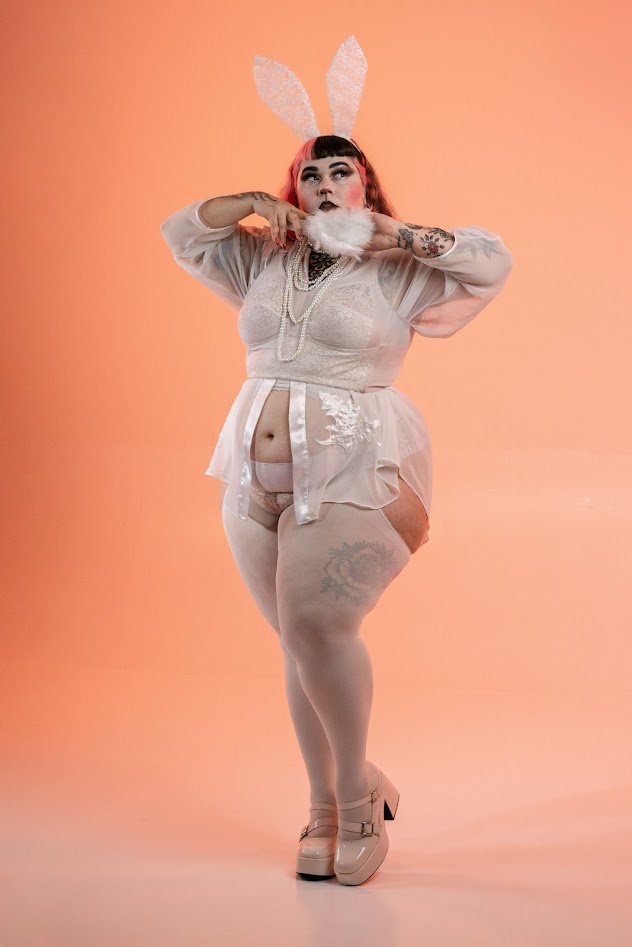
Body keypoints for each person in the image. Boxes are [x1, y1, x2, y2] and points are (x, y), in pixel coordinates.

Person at [160, 133, 513, 885]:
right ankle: (323, 805)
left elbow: (492, 262)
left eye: (340, 171)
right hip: (251, 477)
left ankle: (357, 800)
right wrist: (251, 204)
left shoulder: (397, 267)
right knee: (299, 643)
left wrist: (395, 232)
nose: (323, 183)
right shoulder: (263, 258)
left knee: (318, 627)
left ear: (366, 186)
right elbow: (181, 232)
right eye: (308, 174)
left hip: (354, 464)